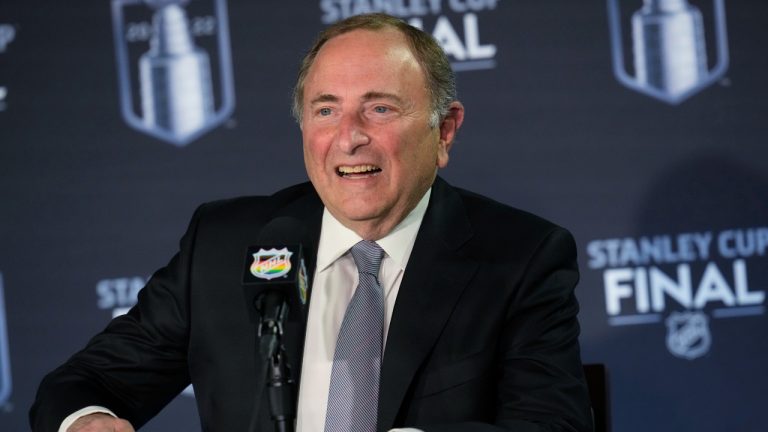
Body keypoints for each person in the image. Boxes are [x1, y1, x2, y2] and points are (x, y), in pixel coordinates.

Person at [31, 13, 593, 432]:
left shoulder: (520, 258)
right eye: (326, 109)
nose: (349, 136)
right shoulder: (226, 246)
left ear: (444, 131)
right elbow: (80, 386)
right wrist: (87, 420)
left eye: (380, 107)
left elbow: (550, 424)